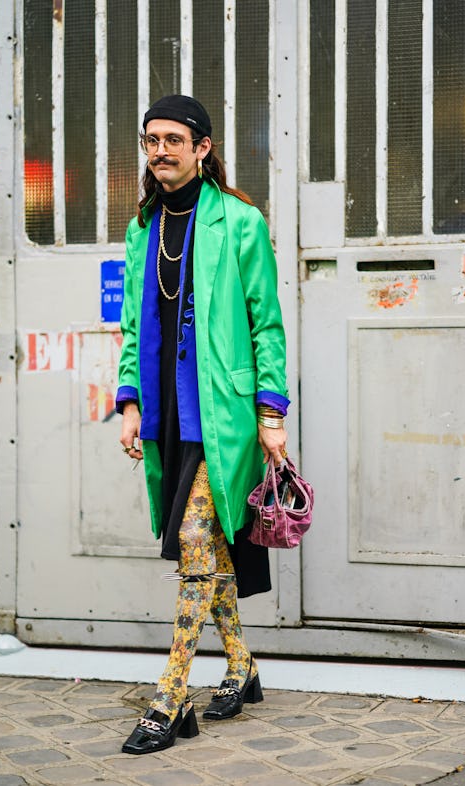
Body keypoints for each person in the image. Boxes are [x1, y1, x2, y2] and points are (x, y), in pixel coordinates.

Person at [116, 94, 289, 755]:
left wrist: (271, 414)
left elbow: (266, 322)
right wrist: (130, 403)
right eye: (150, 139)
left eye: (172, 140)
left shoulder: (240, 223)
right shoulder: (142, 228)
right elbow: (133, 324)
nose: (159, 150)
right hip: (166, 412)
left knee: (193, 533)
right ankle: (242, 667)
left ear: (202, 148)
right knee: (208, 546)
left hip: (224, 412)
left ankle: (171, 697)